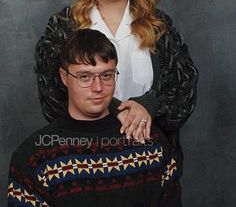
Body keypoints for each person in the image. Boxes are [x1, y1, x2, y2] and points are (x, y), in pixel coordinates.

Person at [34, 0, 198, 174]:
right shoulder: (63, 27)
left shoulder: (158, 26)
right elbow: (52, 101)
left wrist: (148, 105)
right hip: (84, 165)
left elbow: (184, 91)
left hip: (150, 164)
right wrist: (114, 111)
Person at [8, 29, 181, 207]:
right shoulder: (34, 157)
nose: (98, 87)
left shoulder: (151, 143)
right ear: (64, 77)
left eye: (106, 75)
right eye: (85, 77)